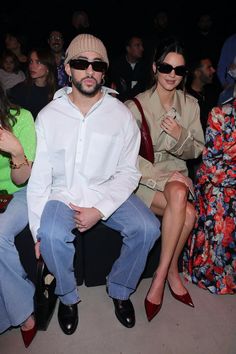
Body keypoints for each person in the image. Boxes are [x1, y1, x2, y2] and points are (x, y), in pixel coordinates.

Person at [27, 33, 160, 335]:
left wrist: (100, 209)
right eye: (80, 63)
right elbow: (40, 179)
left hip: (108, 191)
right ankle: (68, 297)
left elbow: (129, 172)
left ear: (104, 71)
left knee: (148, 228)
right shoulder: (48, 117)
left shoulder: (121, 116)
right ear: (68, 68)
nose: (89, 70)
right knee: (48, 233)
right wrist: (37, 231)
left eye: (97, 65)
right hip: (64, 195)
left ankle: (120, 289)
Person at [126, 38, 205, 322]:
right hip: (145, 180)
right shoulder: (134, 106)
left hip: (178, 182)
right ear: (154, 68)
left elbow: (197, 149)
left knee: (188, 211)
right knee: (183, 202)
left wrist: (180, 135)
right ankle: (167, 274)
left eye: (179, 70)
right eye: (166, 67)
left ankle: (164, 271)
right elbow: (125, 158)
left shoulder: (191, 105)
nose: (172, 74)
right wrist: (163, 175)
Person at [183, 97, 236, 295]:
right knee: (223, 206)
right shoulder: (220, 114)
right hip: (218, 186)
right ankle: (216, 273)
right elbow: (211, 165)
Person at [0, 84, 37, 347]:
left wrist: (16, 152)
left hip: (19, 191)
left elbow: (23, 178)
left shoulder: (21, 118)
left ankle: (24, 311)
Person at [8, 47, 57, 119]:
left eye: (38, 62)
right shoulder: (18, 91)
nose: (32, 66)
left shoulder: (57, 92)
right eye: (31, 61)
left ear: (48, 68)